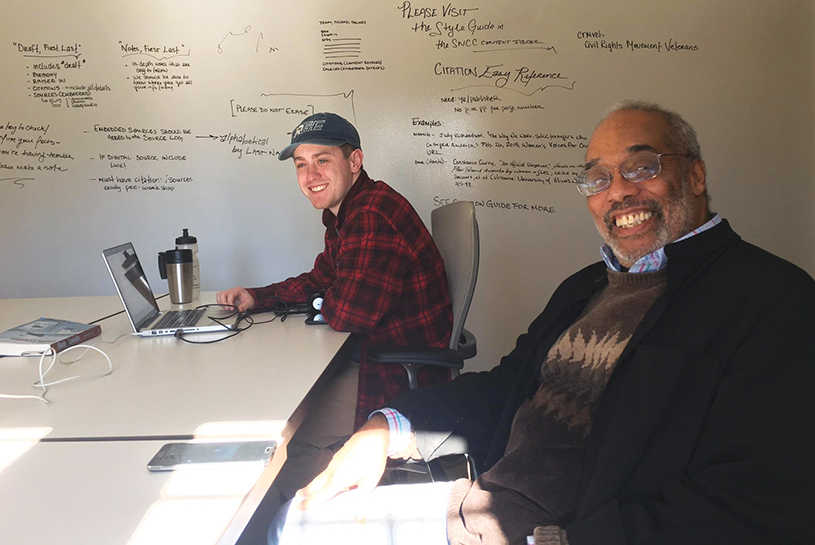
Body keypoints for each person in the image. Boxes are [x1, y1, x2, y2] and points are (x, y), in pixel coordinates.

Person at [271, 101, 815, 545]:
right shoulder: (585, 287)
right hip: (483, 506)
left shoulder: (772, 302)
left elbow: (757, 502)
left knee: (282, 529)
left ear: (694, 175)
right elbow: (507, 387)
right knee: (290, 520)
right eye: (598, 178)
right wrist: (387, 425)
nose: (619, 191)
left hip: (557, 532)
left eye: (642, 167)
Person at [217, 112, 452, 502]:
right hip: (373, 355)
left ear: (354, 161)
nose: (310, 176)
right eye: (301, 165)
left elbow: (350, 313)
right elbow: (322, 279)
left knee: (289, 443)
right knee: (282, 396)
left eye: (322, 160)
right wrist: (257, 296)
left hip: (395, 372)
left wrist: (328, 295)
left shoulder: (372, 214)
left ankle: (320, 522)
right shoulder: (347, 213)